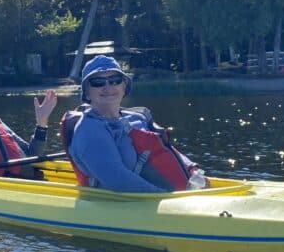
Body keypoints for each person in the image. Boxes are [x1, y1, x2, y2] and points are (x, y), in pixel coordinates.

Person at [61, 55, 206, 192]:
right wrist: (167, 200)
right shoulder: (89, 130)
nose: (108, 87)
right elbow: (117, 180)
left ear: (124, 86)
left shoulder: (136, 117)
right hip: (129, 202)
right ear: (87, 93)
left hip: (174, 196)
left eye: (115, 80)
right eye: (98, 82)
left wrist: (192, 168)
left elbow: (165, 147)